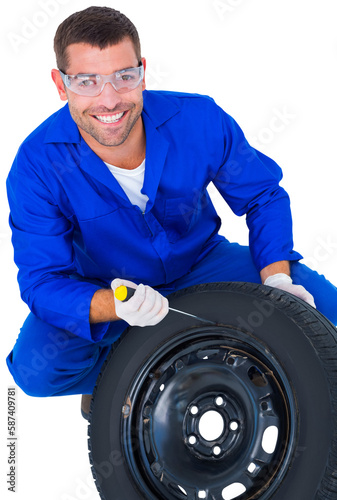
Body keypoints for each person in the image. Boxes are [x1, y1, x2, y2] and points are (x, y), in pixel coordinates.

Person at [6, 6, 337, 418]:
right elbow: (42, 281)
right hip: (109, 287)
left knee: (324, 315)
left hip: (202, 262)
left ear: (142, 71)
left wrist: (277, 279)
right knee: (39, 371)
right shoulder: (37, 166)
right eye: (87, 82)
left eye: (124, 76)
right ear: (61, 84)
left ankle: (207, 352)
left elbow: (262, 196)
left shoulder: (198, 120)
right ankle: (121, 376)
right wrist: (116, 305)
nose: (109, 99)